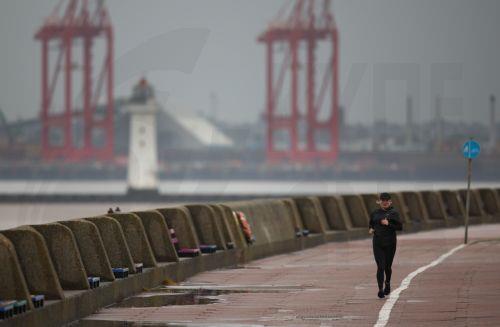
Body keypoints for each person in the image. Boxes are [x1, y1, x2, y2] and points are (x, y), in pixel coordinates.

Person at [369, 192, 403, 298]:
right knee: (380, 267)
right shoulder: (375, 213)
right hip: (378, 243)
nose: (384, 202)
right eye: (382, 200)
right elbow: (371, 223)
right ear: (379, 201)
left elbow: (400, 227)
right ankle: (380, 290)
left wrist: (388, 224)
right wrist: (370, 228)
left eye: (386, 200)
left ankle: (387, 283)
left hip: (390, 243)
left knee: (387, 267)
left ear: (390, 201)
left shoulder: (394, 213)